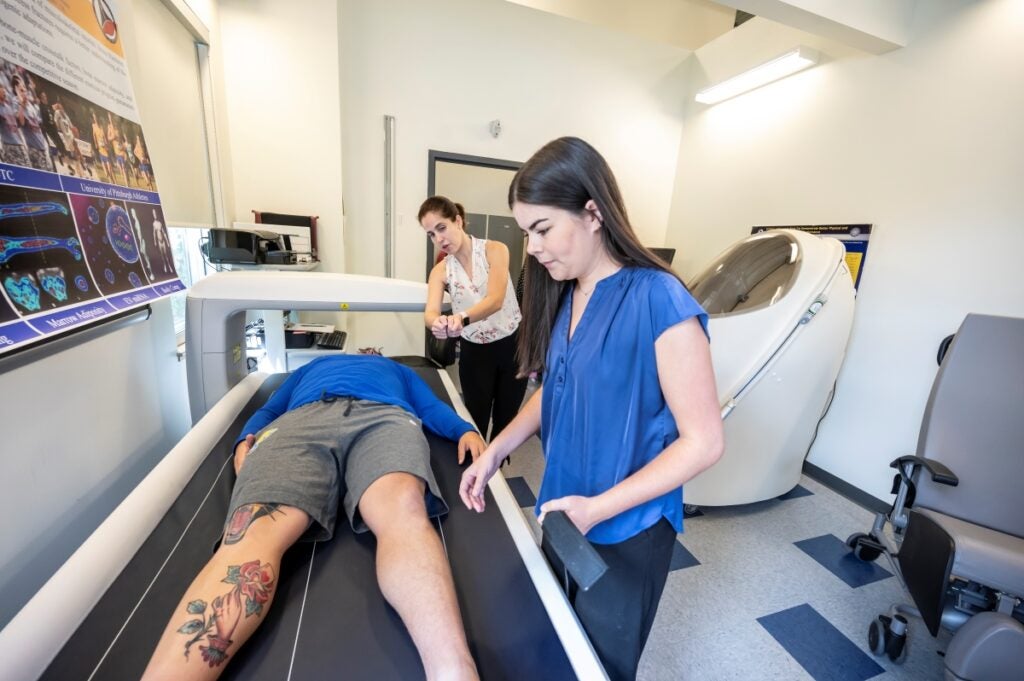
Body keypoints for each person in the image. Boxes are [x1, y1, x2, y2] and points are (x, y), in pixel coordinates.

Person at [458, 137, 724, 681]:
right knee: (559, 642)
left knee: (600, 664)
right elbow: (551, 392)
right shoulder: (565, 295)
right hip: (564, 506)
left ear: (593, 213)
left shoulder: (659, 298)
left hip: (627, 524)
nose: (531, 248)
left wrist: (598, 509)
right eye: (526, 233)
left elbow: (705, 441)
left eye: (542, 230)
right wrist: (495, 451)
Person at [144, 354, 483, 681]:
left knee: (403, 511)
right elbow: (271, 408)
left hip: (384, 418)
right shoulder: (314, 366)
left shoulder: (396, 369)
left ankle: (455, 671)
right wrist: (242, 441)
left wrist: (463, 430)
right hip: (302, 421)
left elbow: (430, 407)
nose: (366, 351)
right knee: (255, 530)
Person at [419, 195, 528, 440]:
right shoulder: (441, 270)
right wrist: (436, 323)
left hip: (511, 345)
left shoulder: (495, 249)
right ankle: (477, 469)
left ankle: (498, 466)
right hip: (475, 351)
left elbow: (496, 300)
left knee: (506, 417)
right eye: (431, 235)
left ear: (458, 221)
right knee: (475, 417)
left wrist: (461, 318)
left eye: (441, 228)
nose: (439, 239)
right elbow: (430, 312)